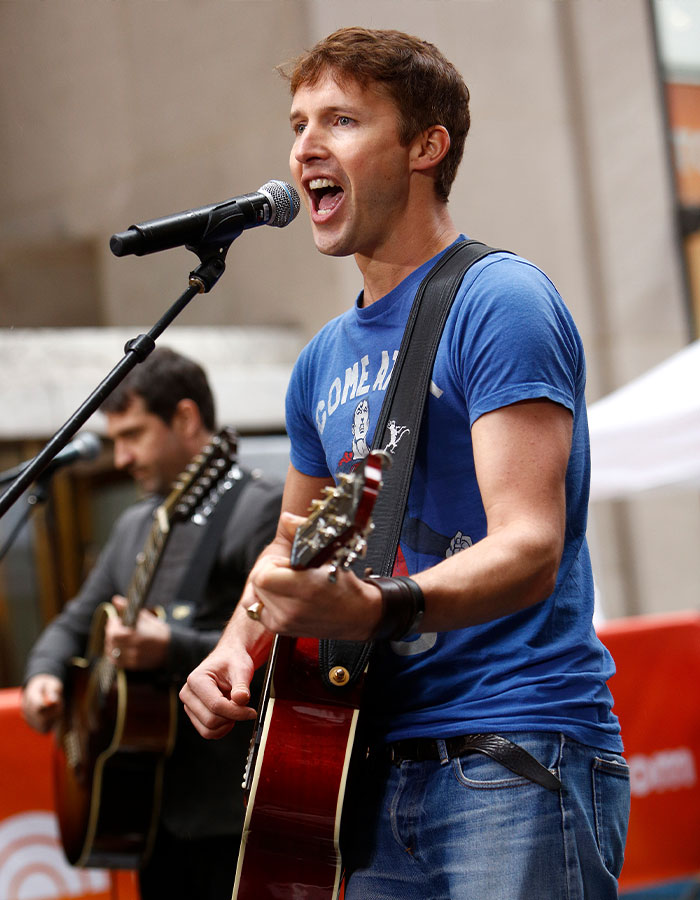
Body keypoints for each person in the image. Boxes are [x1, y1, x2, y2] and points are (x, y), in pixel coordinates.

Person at [179, 27, 631, 899]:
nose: (305, 145)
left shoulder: (498, 301)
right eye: (299, 122)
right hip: (364, 764)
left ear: (427, 147)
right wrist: (235, 647)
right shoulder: (320, 360)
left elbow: (531, 545)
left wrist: (379, 602)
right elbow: (291, 542)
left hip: (508, 749)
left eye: (342, 120)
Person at [22, 347, 283, 900]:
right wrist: (45, 677)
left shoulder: (259, 509)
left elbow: (289, 646)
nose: (120, 458)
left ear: (186, 420)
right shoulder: (135, 523)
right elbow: (71, 622)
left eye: (133, 435)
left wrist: (173, 648)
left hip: (230, 810)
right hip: (147, 806)